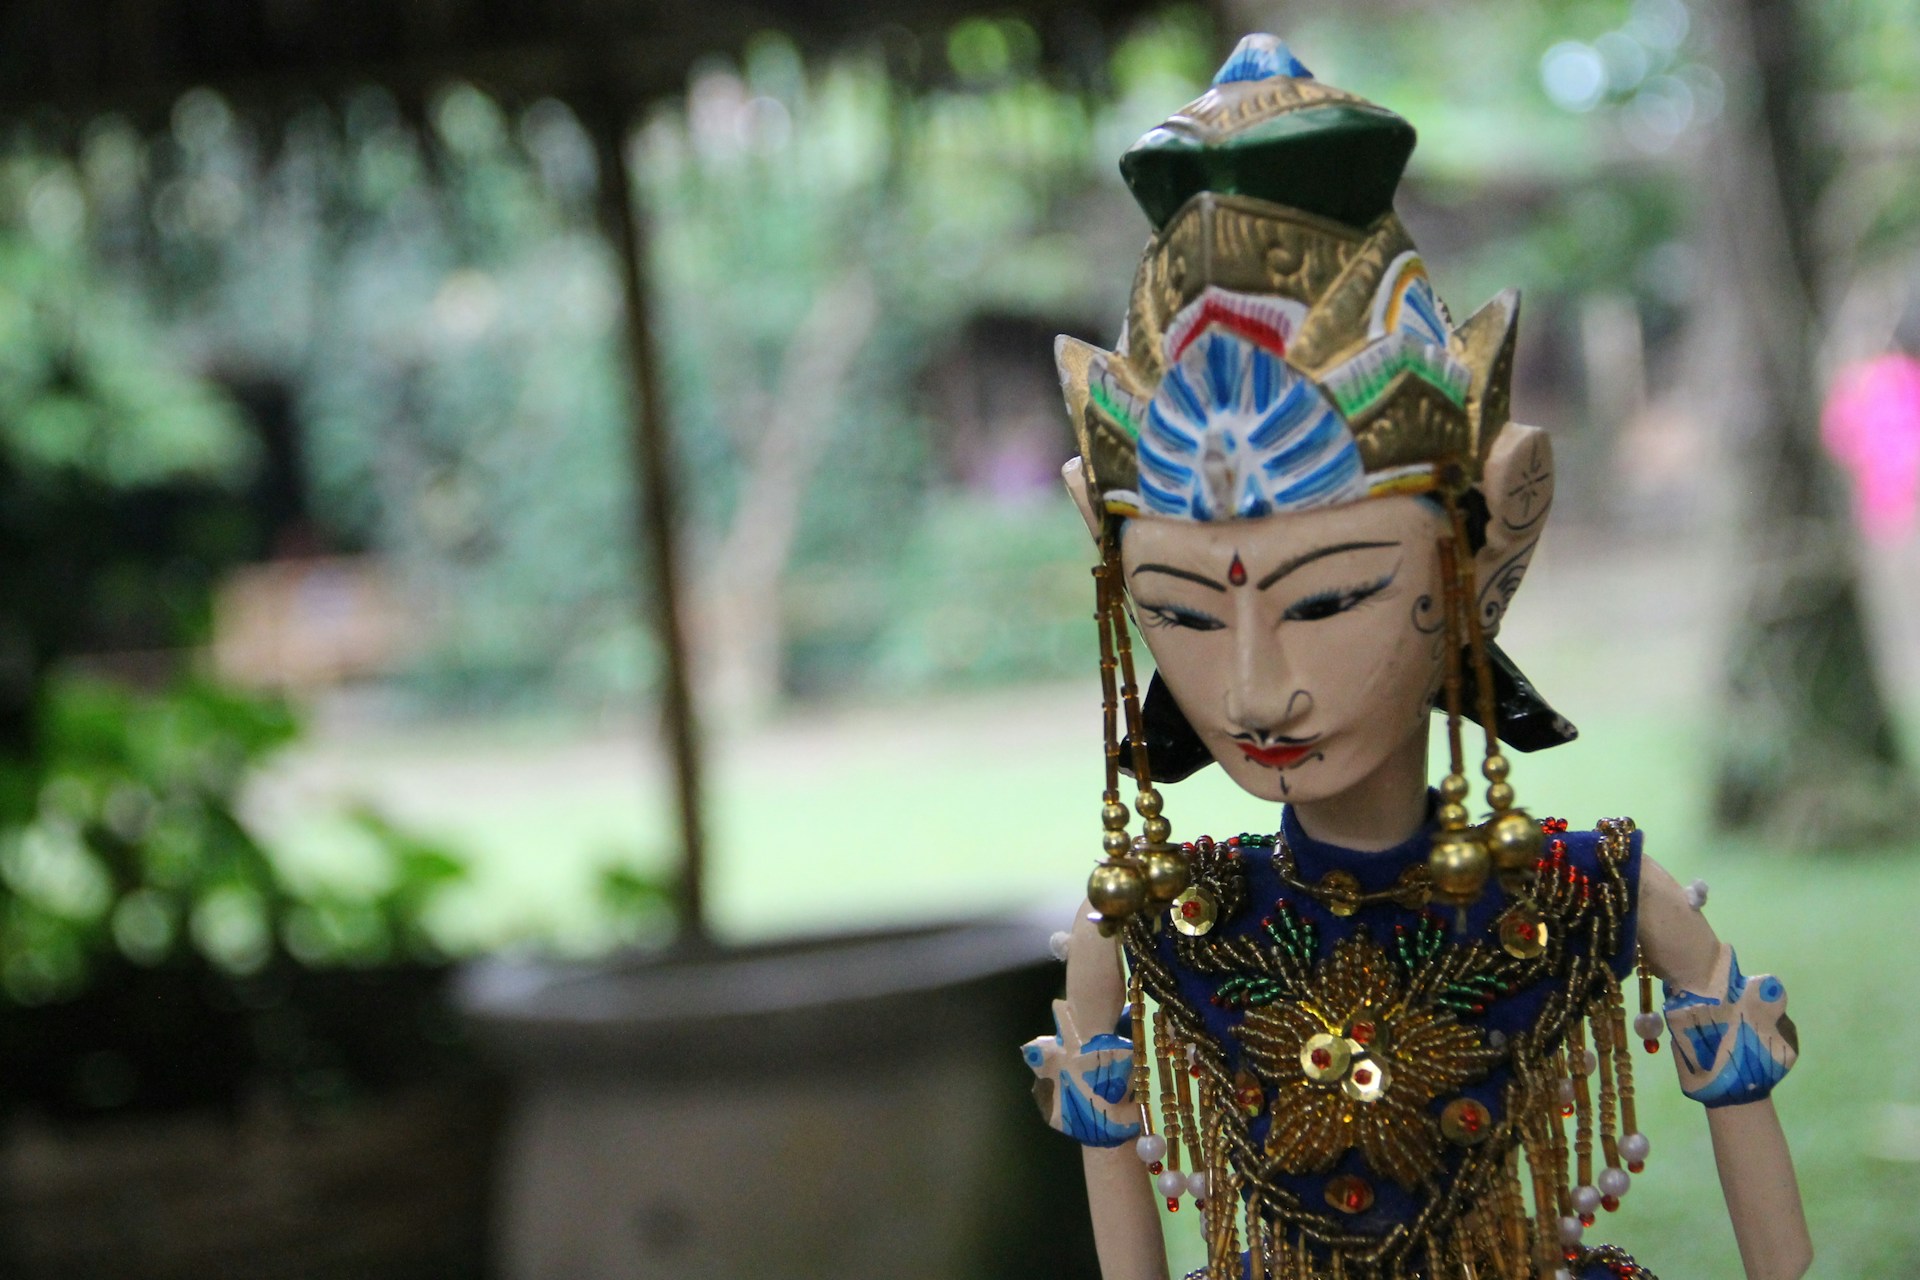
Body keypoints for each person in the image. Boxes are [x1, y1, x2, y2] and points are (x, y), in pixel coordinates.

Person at [1020, 36, 1810, 1280]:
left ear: (1486, 546)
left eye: (1331, 596)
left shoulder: (1592, 890)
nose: (1251, 685)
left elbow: (1786, 1252)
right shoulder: (1138, 930)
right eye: (1175, 609)